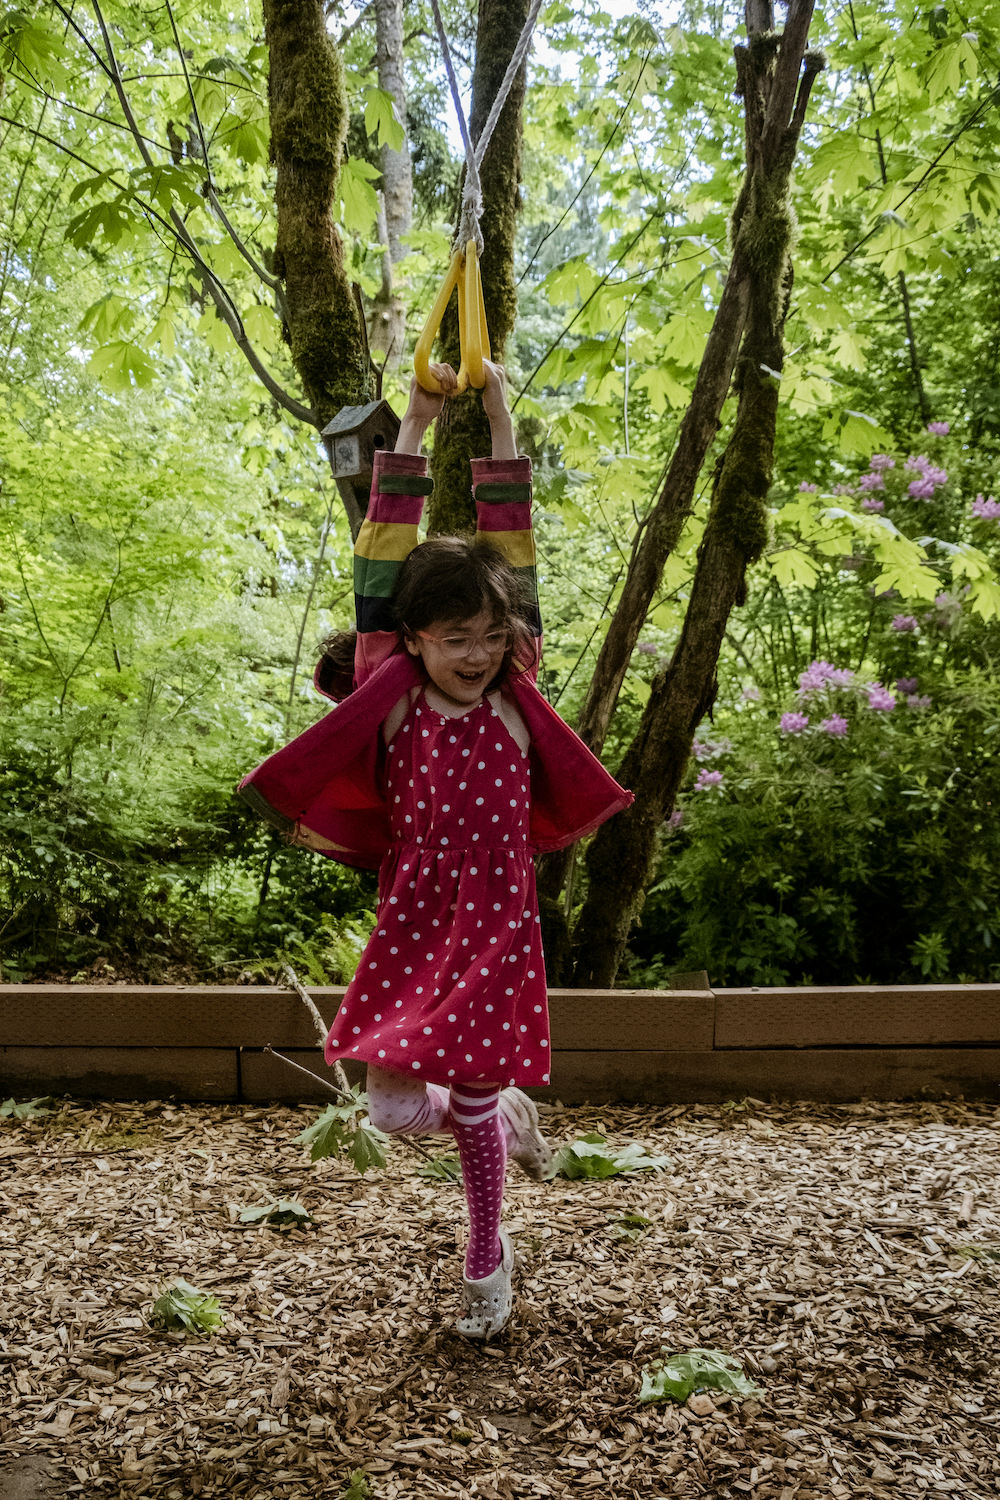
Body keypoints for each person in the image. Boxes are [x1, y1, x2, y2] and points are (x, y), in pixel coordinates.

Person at [239, 360, 632, 1340]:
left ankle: (486, 1255)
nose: (478, 654)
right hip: (413, 912)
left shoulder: (511, 689)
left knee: (474, 1086)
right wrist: (412, 420)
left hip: (499, 919)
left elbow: (512, 539)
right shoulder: (394, 687)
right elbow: (384, 548)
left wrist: (498, 411)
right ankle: (498, 1118)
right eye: (457, 638)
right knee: (397, 1112)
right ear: (411, 639)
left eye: (491, 637)